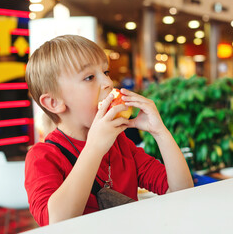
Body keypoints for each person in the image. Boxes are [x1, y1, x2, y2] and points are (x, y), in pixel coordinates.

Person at [24, 35, 193, 226]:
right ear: (54, 102)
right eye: (89, 77)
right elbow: (55, 223)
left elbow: (181, 192)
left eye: (106, 72)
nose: (108, 83)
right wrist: (94, 148)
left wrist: (160, 132)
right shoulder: (43, 157)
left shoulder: (121, 145)